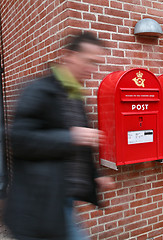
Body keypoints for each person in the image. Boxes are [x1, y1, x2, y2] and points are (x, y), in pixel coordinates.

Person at [4, 31, 114, 240]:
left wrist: (96, 175)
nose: (92, 69)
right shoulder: (38, 90)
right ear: (68, 56)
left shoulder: (73, 95)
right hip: (37, 205)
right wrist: (70, 136)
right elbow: (19, 139)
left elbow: (79, 148)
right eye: (88, 61)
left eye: (96, 63)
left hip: (61, 200)